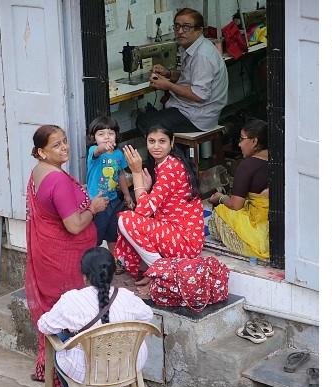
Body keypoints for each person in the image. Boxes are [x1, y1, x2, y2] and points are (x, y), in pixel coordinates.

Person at [25, 125, 109, 385]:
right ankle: (65, 375)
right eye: (56, 145)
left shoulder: (39, 172)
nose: (64, 148)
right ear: (41, 151)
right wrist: (93, 208)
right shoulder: (57, 180)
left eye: (64, 142)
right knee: (68, 313)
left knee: (53, 312)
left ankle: (47, 368)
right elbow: (72, 225)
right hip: (64, 260)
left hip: (47, 254)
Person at [37, 247, 153, 387]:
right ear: (113, 273)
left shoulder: (71, 300)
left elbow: (44, 326)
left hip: (85, 368)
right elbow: (147, 316)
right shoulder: (128, 298)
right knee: (114, 346)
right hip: (128, 364)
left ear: (84, 276)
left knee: (60, 342)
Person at [113, 126, 204, 286]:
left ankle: (162, 275)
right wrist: (146, 189)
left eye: (162, 141)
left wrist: (136, 173)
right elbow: (150, 207)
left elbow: (143, 210)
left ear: (172, 142)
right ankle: (156, 270)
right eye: (151, 141)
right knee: (131, 219)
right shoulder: (167, 163)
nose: (156, 146)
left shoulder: (170, 167)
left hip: (185, 241)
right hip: (177, 233)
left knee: (127, 220)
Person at [136, 7, 229, 135]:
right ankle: (174, 150)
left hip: (198, 117)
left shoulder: (202, 56)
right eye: (177, 26)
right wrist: (169, 73)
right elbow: (192, 77)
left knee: (145, 122)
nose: (180, 31)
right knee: (150, 116)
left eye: (186, 27)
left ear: (199, 30)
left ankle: (175, 154)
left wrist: (168, 85)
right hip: (193, 110)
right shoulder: (192, 47)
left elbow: (199, 95)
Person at [208, 119, 269, 260]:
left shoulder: (247, 166)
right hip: (276, 226)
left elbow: (236, 205)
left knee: (219, 212)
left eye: (242, 139)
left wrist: (220, 198)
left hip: (258, 230)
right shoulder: (280, 159)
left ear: (254, 141)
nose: (239, 144)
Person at [85, 116, 133, 250]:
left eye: (110, 133)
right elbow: (98, 151)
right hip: (97, 201)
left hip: (113, 200)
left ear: (116, 136)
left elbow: (121, 175)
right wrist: (102, 148)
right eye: (101, 134)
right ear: (94, 138)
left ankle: (114, 260)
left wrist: (127, 195)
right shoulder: (93, 152)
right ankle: (93, 262)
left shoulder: (118, 154)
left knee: (113, 233)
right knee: (96, 234)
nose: (106, 137)